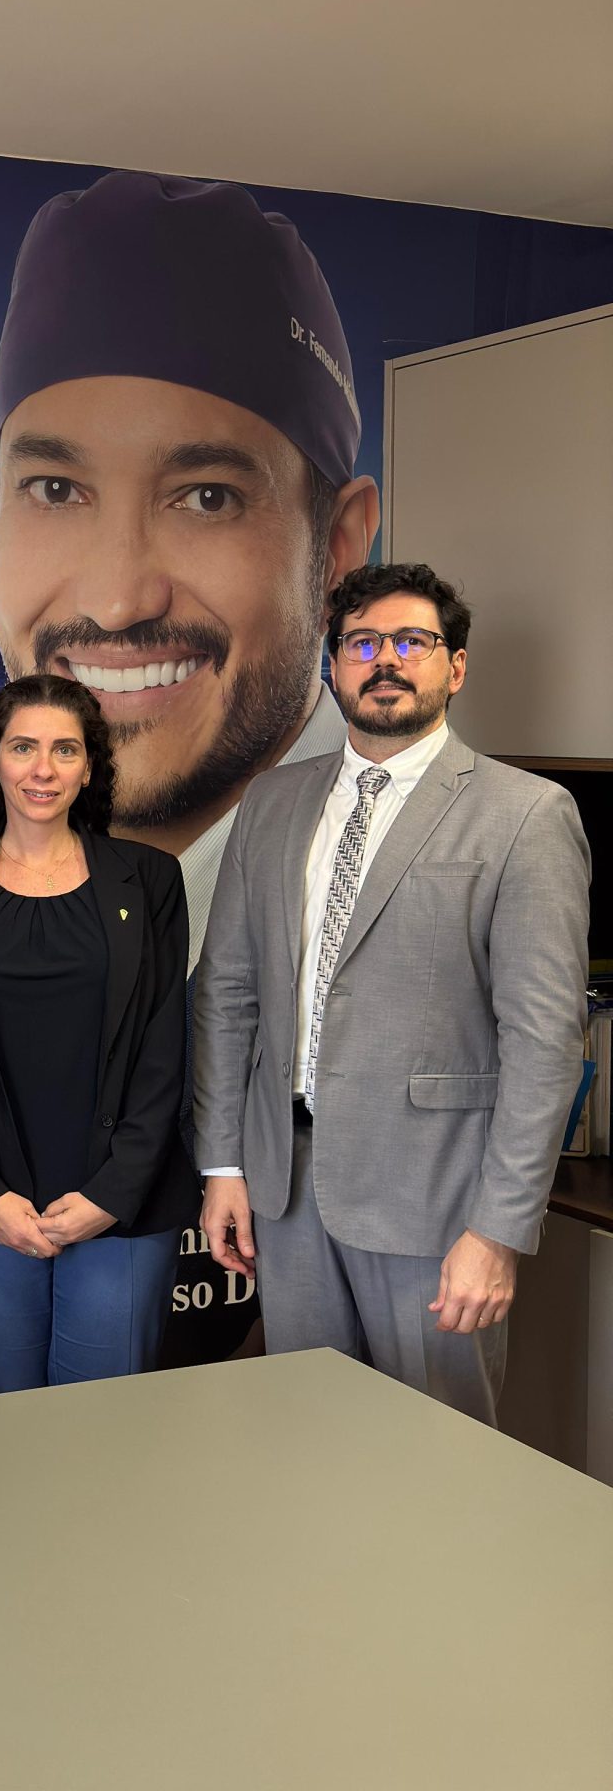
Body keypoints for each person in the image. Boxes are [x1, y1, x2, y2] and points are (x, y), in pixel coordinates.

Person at [197, 563, 590, 1423]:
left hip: (438, 1205)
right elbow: (226, 996)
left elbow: (544, 1041)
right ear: (333, 666)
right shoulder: (272, 803)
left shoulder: (526, 814)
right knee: (307, 1442)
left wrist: (498, 1231)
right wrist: (224, 1163)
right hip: (287, 1192)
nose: (387, 661)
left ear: (455, 667)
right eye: (363, 643)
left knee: (440, 1459)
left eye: (413, 642)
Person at [0, 170, 381, 965]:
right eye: (56, 490)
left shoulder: (434, 880)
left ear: (337, 544)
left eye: (206, 498)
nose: (117, 600)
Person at [0, 674, 197, 1391]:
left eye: (65, 750)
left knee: (101, 1431)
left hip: (122, 1198)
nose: (43, 769)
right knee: (4, 1414)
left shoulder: (150, 878)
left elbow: (166, 1047)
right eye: (23, 747)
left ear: (92, 765)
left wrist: (113, 1191)